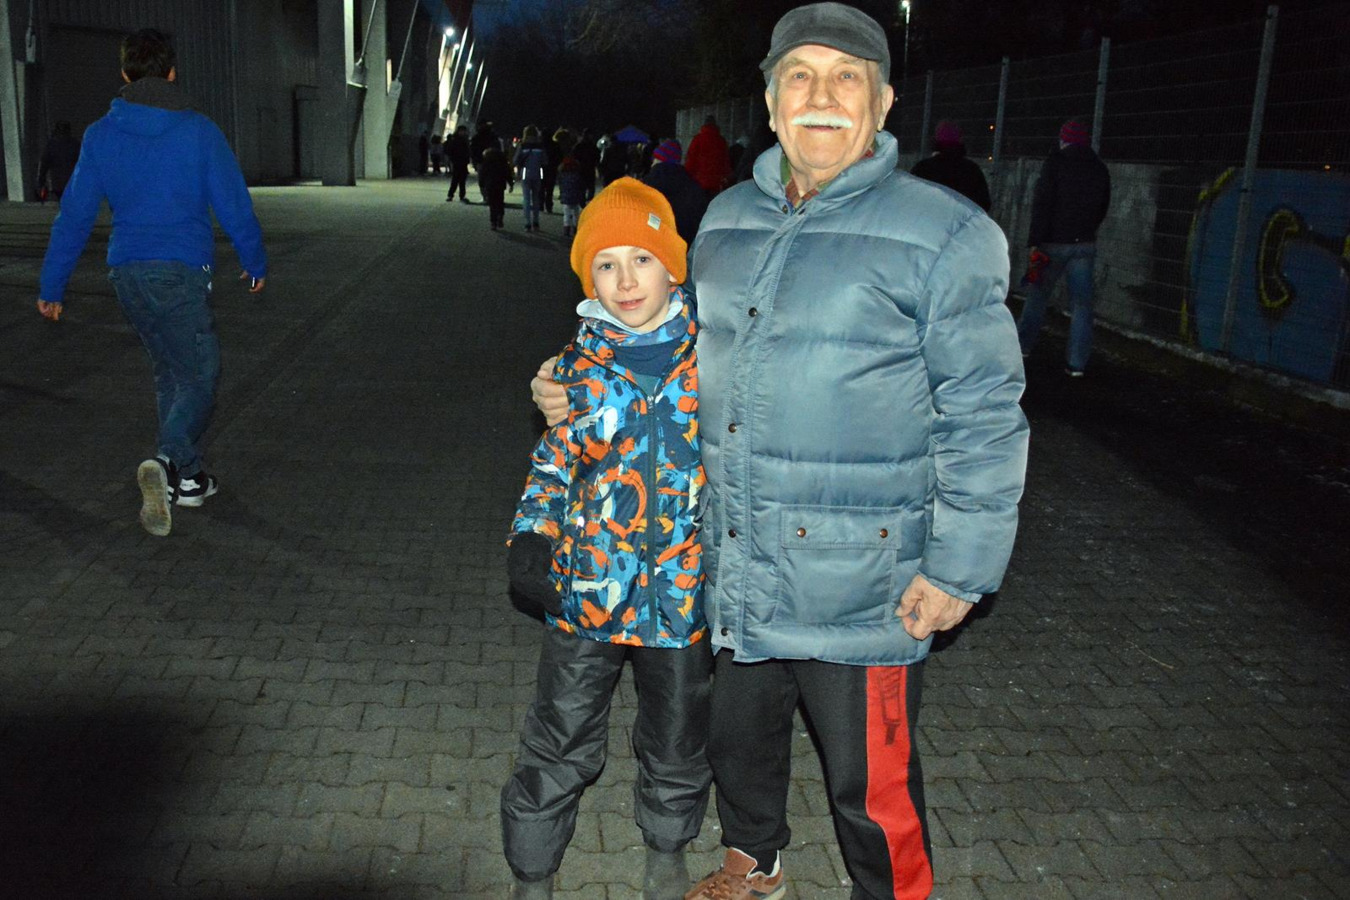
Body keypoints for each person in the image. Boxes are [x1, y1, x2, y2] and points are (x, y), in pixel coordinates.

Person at [531, 5, 1028, 898]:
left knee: (869, 789)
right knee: (737, 746)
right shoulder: (725, 221)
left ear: (882, 103)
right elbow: (654, 341)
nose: (822, 96)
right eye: (801, 76)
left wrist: (960, 567)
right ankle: (753, 864)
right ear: (770, 102)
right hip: (737, 563)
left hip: (863, 585)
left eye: (847, 78)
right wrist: (568, 385)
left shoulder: (945, 234)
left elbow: (984, 413)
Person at [501, 177, 711, 900]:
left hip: (681, 598)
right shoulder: (574, 371)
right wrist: (532, 538)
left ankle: (667, 846)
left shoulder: (712, 363)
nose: (626, 281)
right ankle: (533, 868)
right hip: (586, 592)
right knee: (560, 732)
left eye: (642, 259)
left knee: (677, 737)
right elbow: (551, 469)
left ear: (672, 267)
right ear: (587, 279)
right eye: (606, 264)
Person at [35, 28, 266, 537]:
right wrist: (254, 261)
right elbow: (233, 203)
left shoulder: (100, 134)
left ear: (124, 73)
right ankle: (165, 460)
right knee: (201, 376)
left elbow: (74, 216)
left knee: (170, 372)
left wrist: (52, 286)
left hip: (126, 274)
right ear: (172, 72)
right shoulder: (198, 130)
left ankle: (190, 480)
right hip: (179, 272)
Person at [1016, 118, 1112, 377]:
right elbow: (1103, 205)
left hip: (1052, 243)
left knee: (1038, 296)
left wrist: (1035, 241)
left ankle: (1022, 347)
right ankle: (1076, 363)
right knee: (1082, 305)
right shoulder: (1099, 168)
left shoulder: (1055, 163)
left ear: (1064, 139)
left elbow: (1042, 203)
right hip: (1084, 244)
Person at [910, 120, 991, 212]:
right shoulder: (972, 170)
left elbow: (912, 199)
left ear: (936, 139)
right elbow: (984, 204)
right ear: (959, 139)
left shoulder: (923, 168)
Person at [642, 139, 708, 246]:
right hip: (683, 245)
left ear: (658, 160)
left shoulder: (646, 185)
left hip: (653, 244)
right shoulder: (693, 186)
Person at [684, 115, 731, 197]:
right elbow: (725, 162)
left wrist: (687, 176)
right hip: (716, 183)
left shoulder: (697, 139)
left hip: (699, 182)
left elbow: (691, 160)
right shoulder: (721, 141)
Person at [515, 125, 548, 231]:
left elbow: (515, 160)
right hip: (538, 173)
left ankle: (527, 223)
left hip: (526, 173)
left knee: (526, 198)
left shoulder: (523, 145)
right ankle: (536, 222)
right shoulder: (540, 146)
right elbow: (545, 161)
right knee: (536, 198)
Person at [36, 121, 80, 201]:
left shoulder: (51, 145)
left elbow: (44, 164)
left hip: (57, 183)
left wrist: (41, 181)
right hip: (73, 182)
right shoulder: (75, 144)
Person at [479, 142, 510, 231]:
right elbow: (507, 172)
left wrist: (481, 184)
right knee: (500, 202)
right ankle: (500, 216)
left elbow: (482, 173)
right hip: (500, 184)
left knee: (492, 204)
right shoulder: (502, 160)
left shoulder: (486, 161)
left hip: (490, 184)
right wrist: (510, 182)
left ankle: (493, 222)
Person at [556, 154, 584, 238]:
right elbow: (581, 187)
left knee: (566, 214)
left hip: (566, 197)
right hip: (576, 196)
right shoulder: (577, 176)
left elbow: (561, 186)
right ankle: (575, 229)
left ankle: (566, 229)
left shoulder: (562, 176)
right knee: (576, 213)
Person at [445, 124, 472, 202]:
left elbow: (468, 151)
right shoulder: (455, 140)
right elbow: (450, 150)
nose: (463, 132)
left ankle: (461, 195)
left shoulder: (464, 140)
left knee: (462, 180)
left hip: (462, 162)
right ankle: (451, 195)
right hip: (457, 162)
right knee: (455, 179)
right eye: (462, 131)